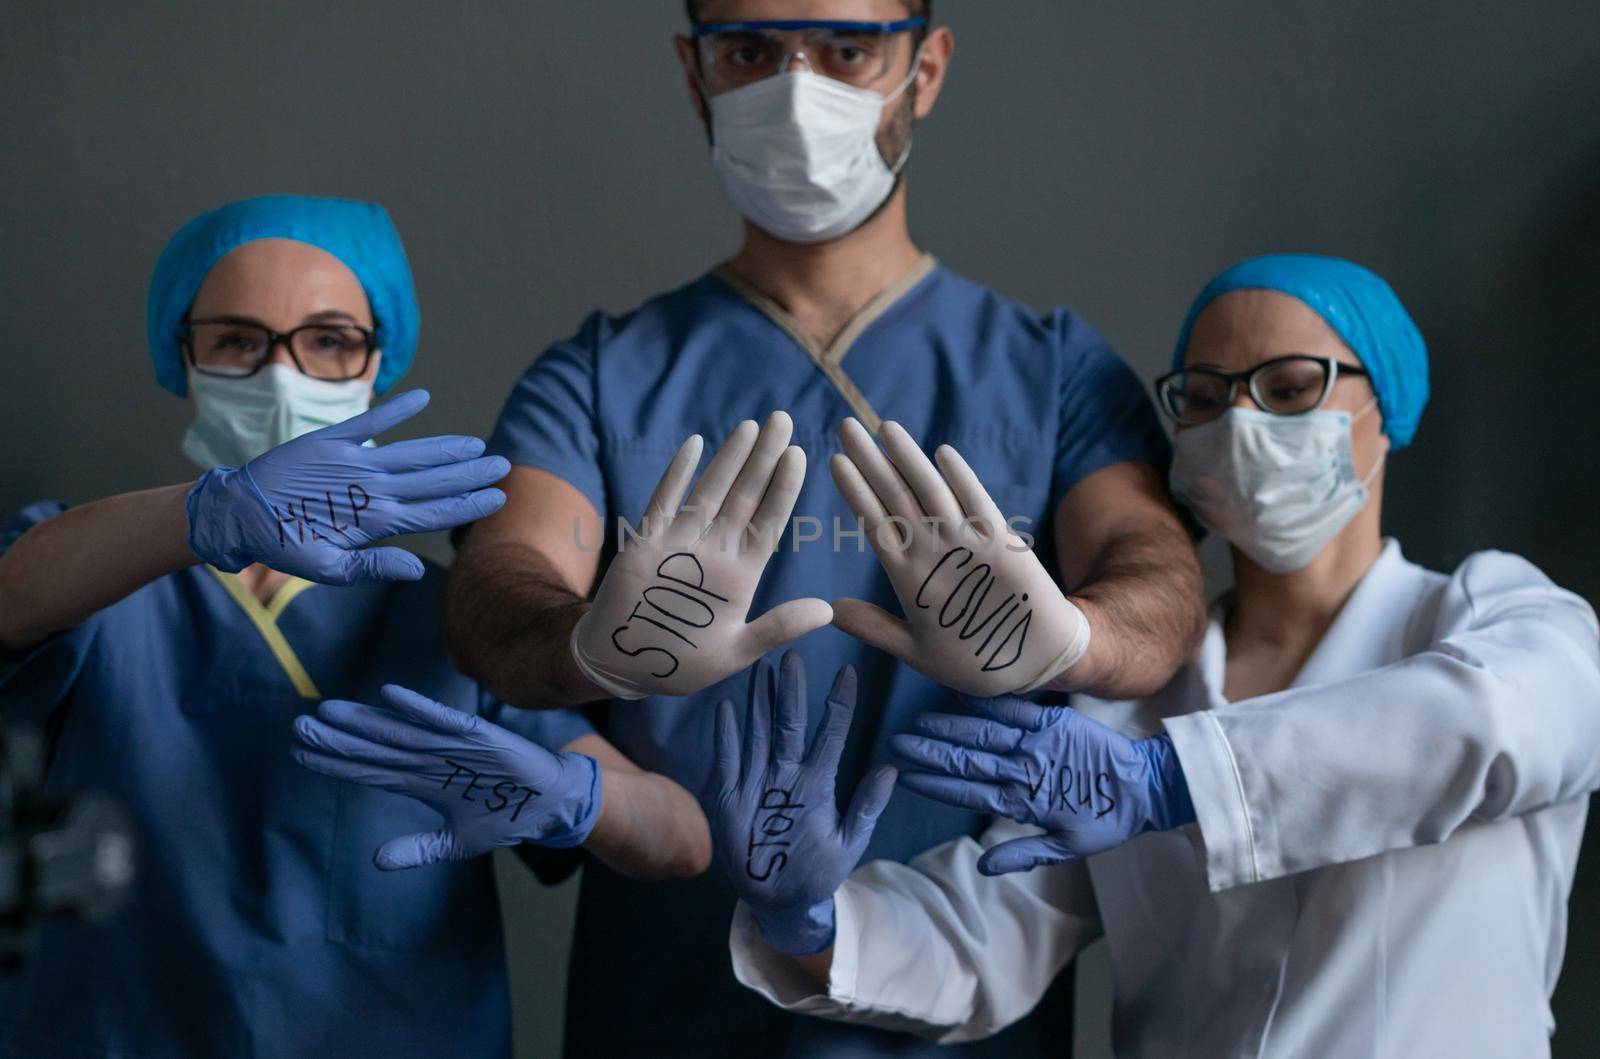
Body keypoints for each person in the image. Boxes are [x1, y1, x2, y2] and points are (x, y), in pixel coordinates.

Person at [443, 2, 1207, 1055]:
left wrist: (1079, 637)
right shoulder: (599, 378)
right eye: (749, 51)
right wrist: (578, 647)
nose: (795, 91)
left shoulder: (1052, 373)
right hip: (672, 1015)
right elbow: (501, 576)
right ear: (693, 71)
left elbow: (1155, 571)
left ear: (925, 67)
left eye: (848, 48)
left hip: (964, 1014)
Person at [726, 253, 1600, 1057]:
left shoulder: (1497, 617)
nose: (1244, 422)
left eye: (1293, 388)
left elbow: (1496, 722)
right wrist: (809, 919)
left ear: (1391, 408)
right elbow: (986, 927)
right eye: (1207, 396)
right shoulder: (1128, 710)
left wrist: (1173, 782)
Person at [0, 195, 710, 1058]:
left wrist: (577, 800)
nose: (282, 374)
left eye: (329, 340)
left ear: (380, 364)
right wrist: (202, 515)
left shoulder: (449, 618)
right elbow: (14, 595)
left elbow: (680, 836)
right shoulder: (99, 574)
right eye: (238, 341)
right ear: (180, 358)